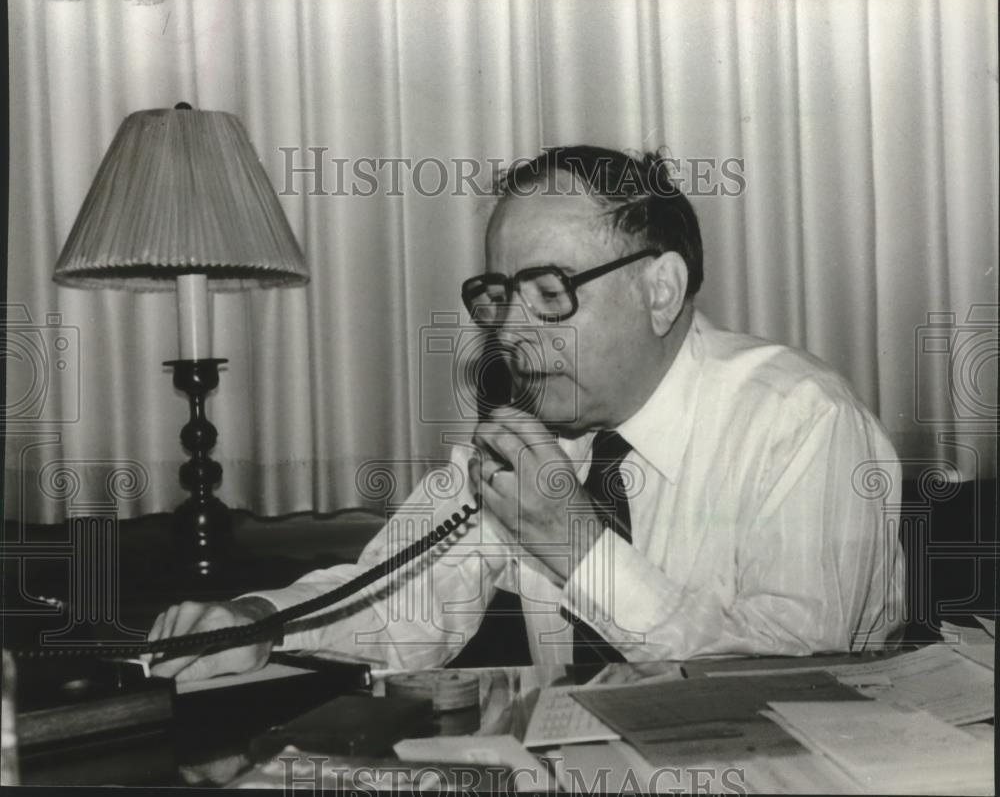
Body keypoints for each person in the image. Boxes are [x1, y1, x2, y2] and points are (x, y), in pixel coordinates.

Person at [149, 146, 905, 682]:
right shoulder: (523, 432)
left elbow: (794, 681)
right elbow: (398, 603)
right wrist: (260, 620)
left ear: (661, 291)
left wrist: (576, 546)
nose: (509, 332)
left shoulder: (802, 421)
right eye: (500, 296)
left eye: (549, 293)